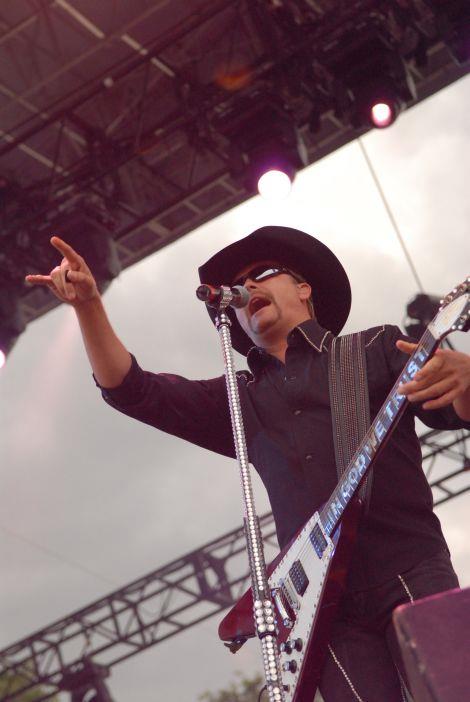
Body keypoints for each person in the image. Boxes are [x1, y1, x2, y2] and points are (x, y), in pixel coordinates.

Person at [26, 226, 470, 701]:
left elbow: (453, 410)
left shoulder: (373, 347)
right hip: (323, 610)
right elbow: (132, 390)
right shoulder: (241, 401)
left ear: (304, 289)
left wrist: (467, 379)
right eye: (238, 286)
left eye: (262, 273)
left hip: (409, 568)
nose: (248, 287)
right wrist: (89, 307)